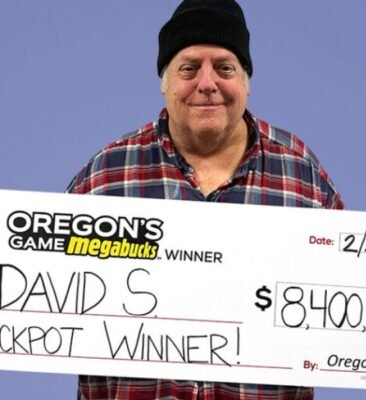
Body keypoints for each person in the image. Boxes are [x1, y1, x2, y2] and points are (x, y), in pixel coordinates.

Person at [67, 0, 344, 398]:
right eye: (189, 68)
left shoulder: (303, 178)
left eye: (224, 68)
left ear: (246, 81)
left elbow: (348, 309)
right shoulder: (104, 178)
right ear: (165, 82)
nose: (207, 83)